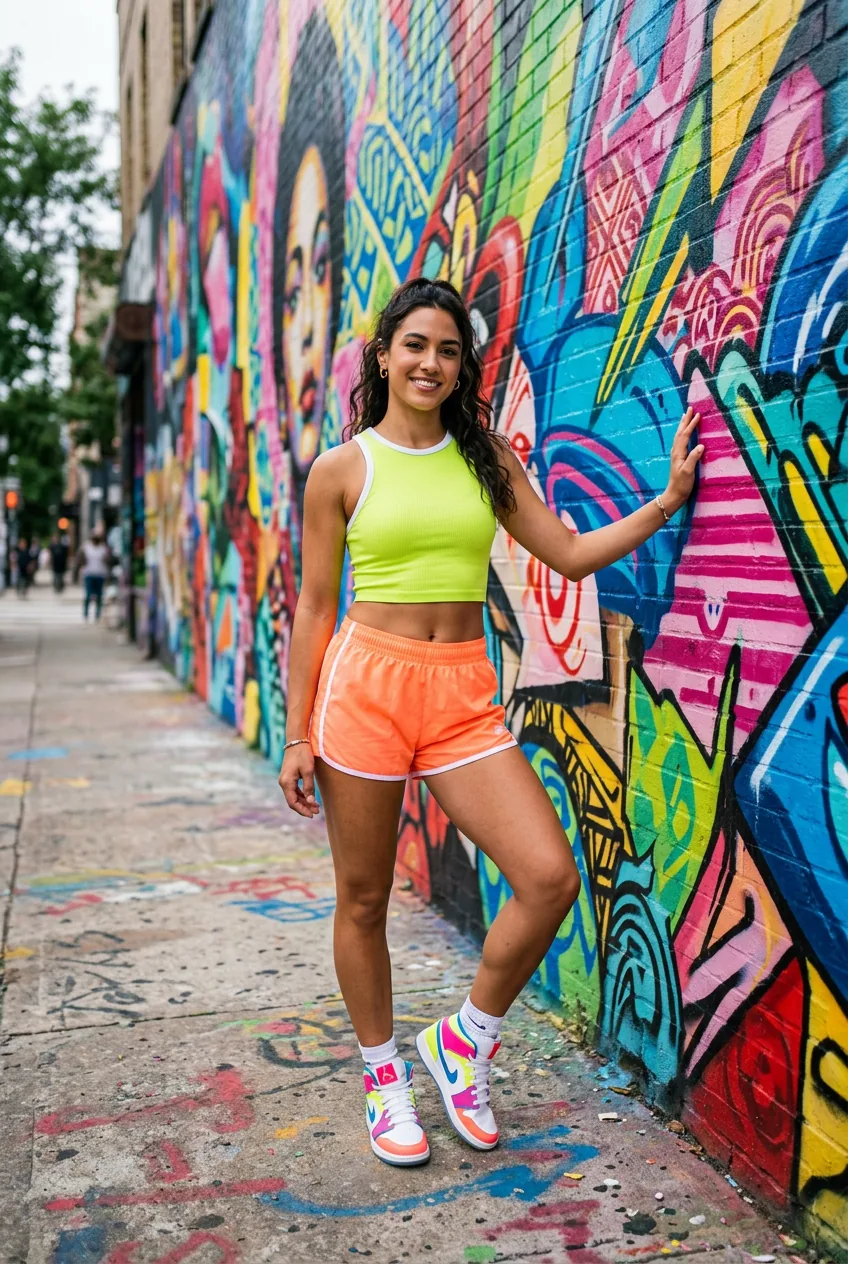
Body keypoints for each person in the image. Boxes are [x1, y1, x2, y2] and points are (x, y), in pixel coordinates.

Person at [278, 278, 704, 1167]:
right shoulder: (342, 470)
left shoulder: (487, 462)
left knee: (547, 876)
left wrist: (665, 504)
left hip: (462, 692)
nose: (430, 363)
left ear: (460, 367)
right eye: (415, 346)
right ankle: (383, 1075)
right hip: (365, 691)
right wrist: (297, 731)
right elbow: (316, 607)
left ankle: (463, 1043)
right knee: (362, 899)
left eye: (447, 351)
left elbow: (569, 555)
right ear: (384, 356)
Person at [75, 528, 112, 621]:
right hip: (89, 573)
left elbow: (108, 561)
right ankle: (86, 613)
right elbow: (79, 560)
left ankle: (97, 614)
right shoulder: (86, 547)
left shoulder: (103, 548)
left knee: (99, 595)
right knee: (88, 594)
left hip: (100, 574)